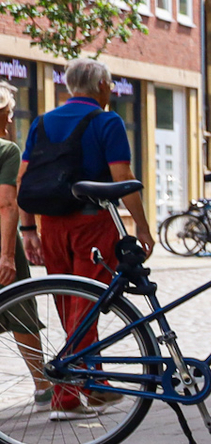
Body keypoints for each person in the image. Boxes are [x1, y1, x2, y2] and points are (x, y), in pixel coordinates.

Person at [21, 60, 152, 418]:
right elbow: (121, 174)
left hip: (51, 225)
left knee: (69, 304)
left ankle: (92, 387)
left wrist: (28, 228)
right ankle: (66, 393)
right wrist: (141, 226)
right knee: (88, 305)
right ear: (103, 86)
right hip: (92, 223)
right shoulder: (107, 122)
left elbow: (24, 176)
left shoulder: (41, 122)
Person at [0, 94, 51, 409]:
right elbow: (6, 204)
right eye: (9, 112)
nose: (11, 118)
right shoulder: (6, 150)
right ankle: (43, 386)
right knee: (21, 311)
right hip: (1, 240)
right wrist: (6, 255)